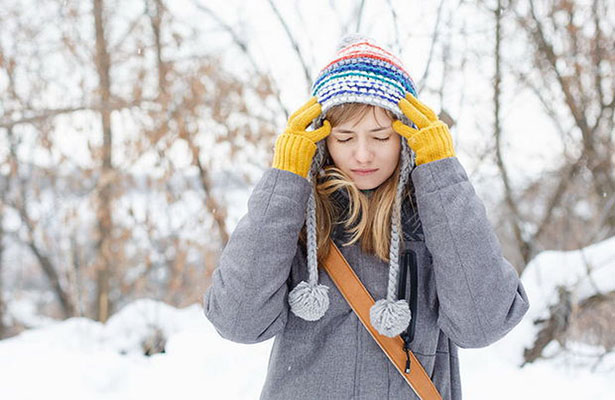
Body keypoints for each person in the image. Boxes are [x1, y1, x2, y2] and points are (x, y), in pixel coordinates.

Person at [203, 33, 530, 400]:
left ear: (406, 136)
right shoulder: (294, 220)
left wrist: (441, 174)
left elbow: (483, 324)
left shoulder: (437, 219)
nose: (362, 155)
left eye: (380, 136)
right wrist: (284, 180)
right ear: (323, 141)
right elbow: (238, 322)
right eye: (345, 138)